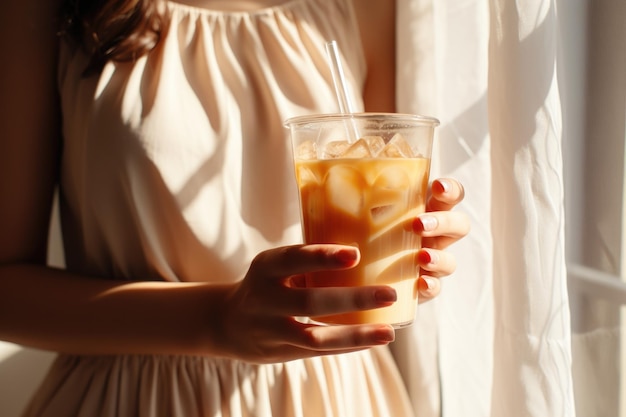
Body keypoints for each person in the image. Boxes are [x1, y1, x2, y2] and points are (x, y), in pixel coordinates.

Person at [0, 0, 470, 416]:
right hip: (133, 397)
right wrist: (215, 318)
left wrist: (410, 253)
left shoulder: (367, 5)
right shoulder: (51, 9)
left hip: (327, 394)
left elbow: (381, 185)